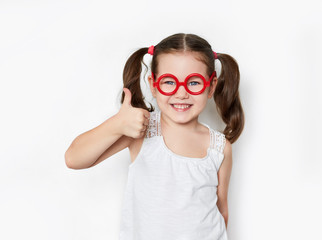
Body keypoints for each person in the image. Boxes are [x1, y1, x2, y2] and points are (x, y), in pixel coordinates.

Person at [65, 33, 244, 240]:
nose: (181, 93)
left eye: (194, 83)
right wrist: (117, 124)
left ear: (211, 86)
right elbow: (74, 159)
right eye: (169, 82)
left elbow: (222, 210)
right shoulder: (142, 130)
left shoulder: (219, 147)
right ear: (153, 84)